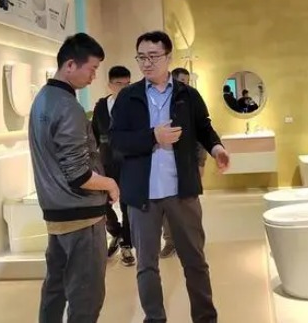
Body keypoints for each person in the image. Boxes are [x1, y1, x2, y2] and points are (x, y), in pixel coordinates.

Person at [110, 31, 230, 323]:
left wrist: (217, 149)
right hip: (143, 195)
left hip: (182, 191)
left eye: (153, 56)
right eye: (141, 57)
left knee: (195, 261)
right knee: (146, 266)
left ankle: (205, 318)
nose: (146, 63)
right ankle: (154, 318)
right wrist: (153, 136)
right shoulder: (128, 97)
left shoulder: (187, 95)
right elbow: (117, 141)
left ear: (168, 57)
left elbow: (204, 127)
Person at [29, 33, 120, 323]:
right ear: (70, 65)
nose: (94, 76)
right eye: (92, 68)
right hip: (81, 216)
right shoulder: (68, 107)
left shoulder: (43, 99)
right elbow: (79, 174)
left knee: (55, 289)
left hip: (57, 214)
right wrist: (110, 184)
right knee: (86, 296)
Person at [159, 68, 210, 259]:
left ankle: (195, 245)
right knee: (166, 209)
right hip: (164, 167)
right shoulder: (160, 104)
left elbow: (202, 134)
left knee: (190, 208)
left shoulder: (191, 100)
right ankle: (170, 242)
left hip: (187, 165)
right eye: (182, 80)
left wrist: (201, 162)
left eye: (187, 81)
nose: (185, 84)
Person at [91, 65, 136, 266]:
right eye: (119, 84)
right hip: (106, 163)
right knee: (102, 203)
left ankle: (126, 245)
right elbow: (94, 136)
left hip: (128, 163)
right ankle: (115, 232)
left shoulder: (135, 107)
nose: (124, 88)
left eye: (128, 84)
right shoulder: (101, 106)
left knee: (127, 206)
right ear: (110, 85)